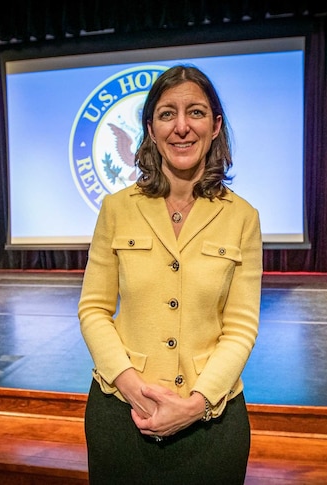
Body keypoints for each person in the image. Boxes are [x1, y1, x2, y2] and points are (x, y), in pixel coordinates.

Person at [77, 64, 263, 484]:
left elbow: (241, 327)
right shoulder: (116, 209)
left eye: (195, 112)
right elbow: (93, 309)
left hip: (212, 424)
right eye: (167, 114)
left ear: (215, 126)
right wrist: (130, 387)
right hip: (121, 417)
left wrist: (196, 404)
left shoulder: (243, 218)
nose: (182, 127)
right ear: (150, 128)